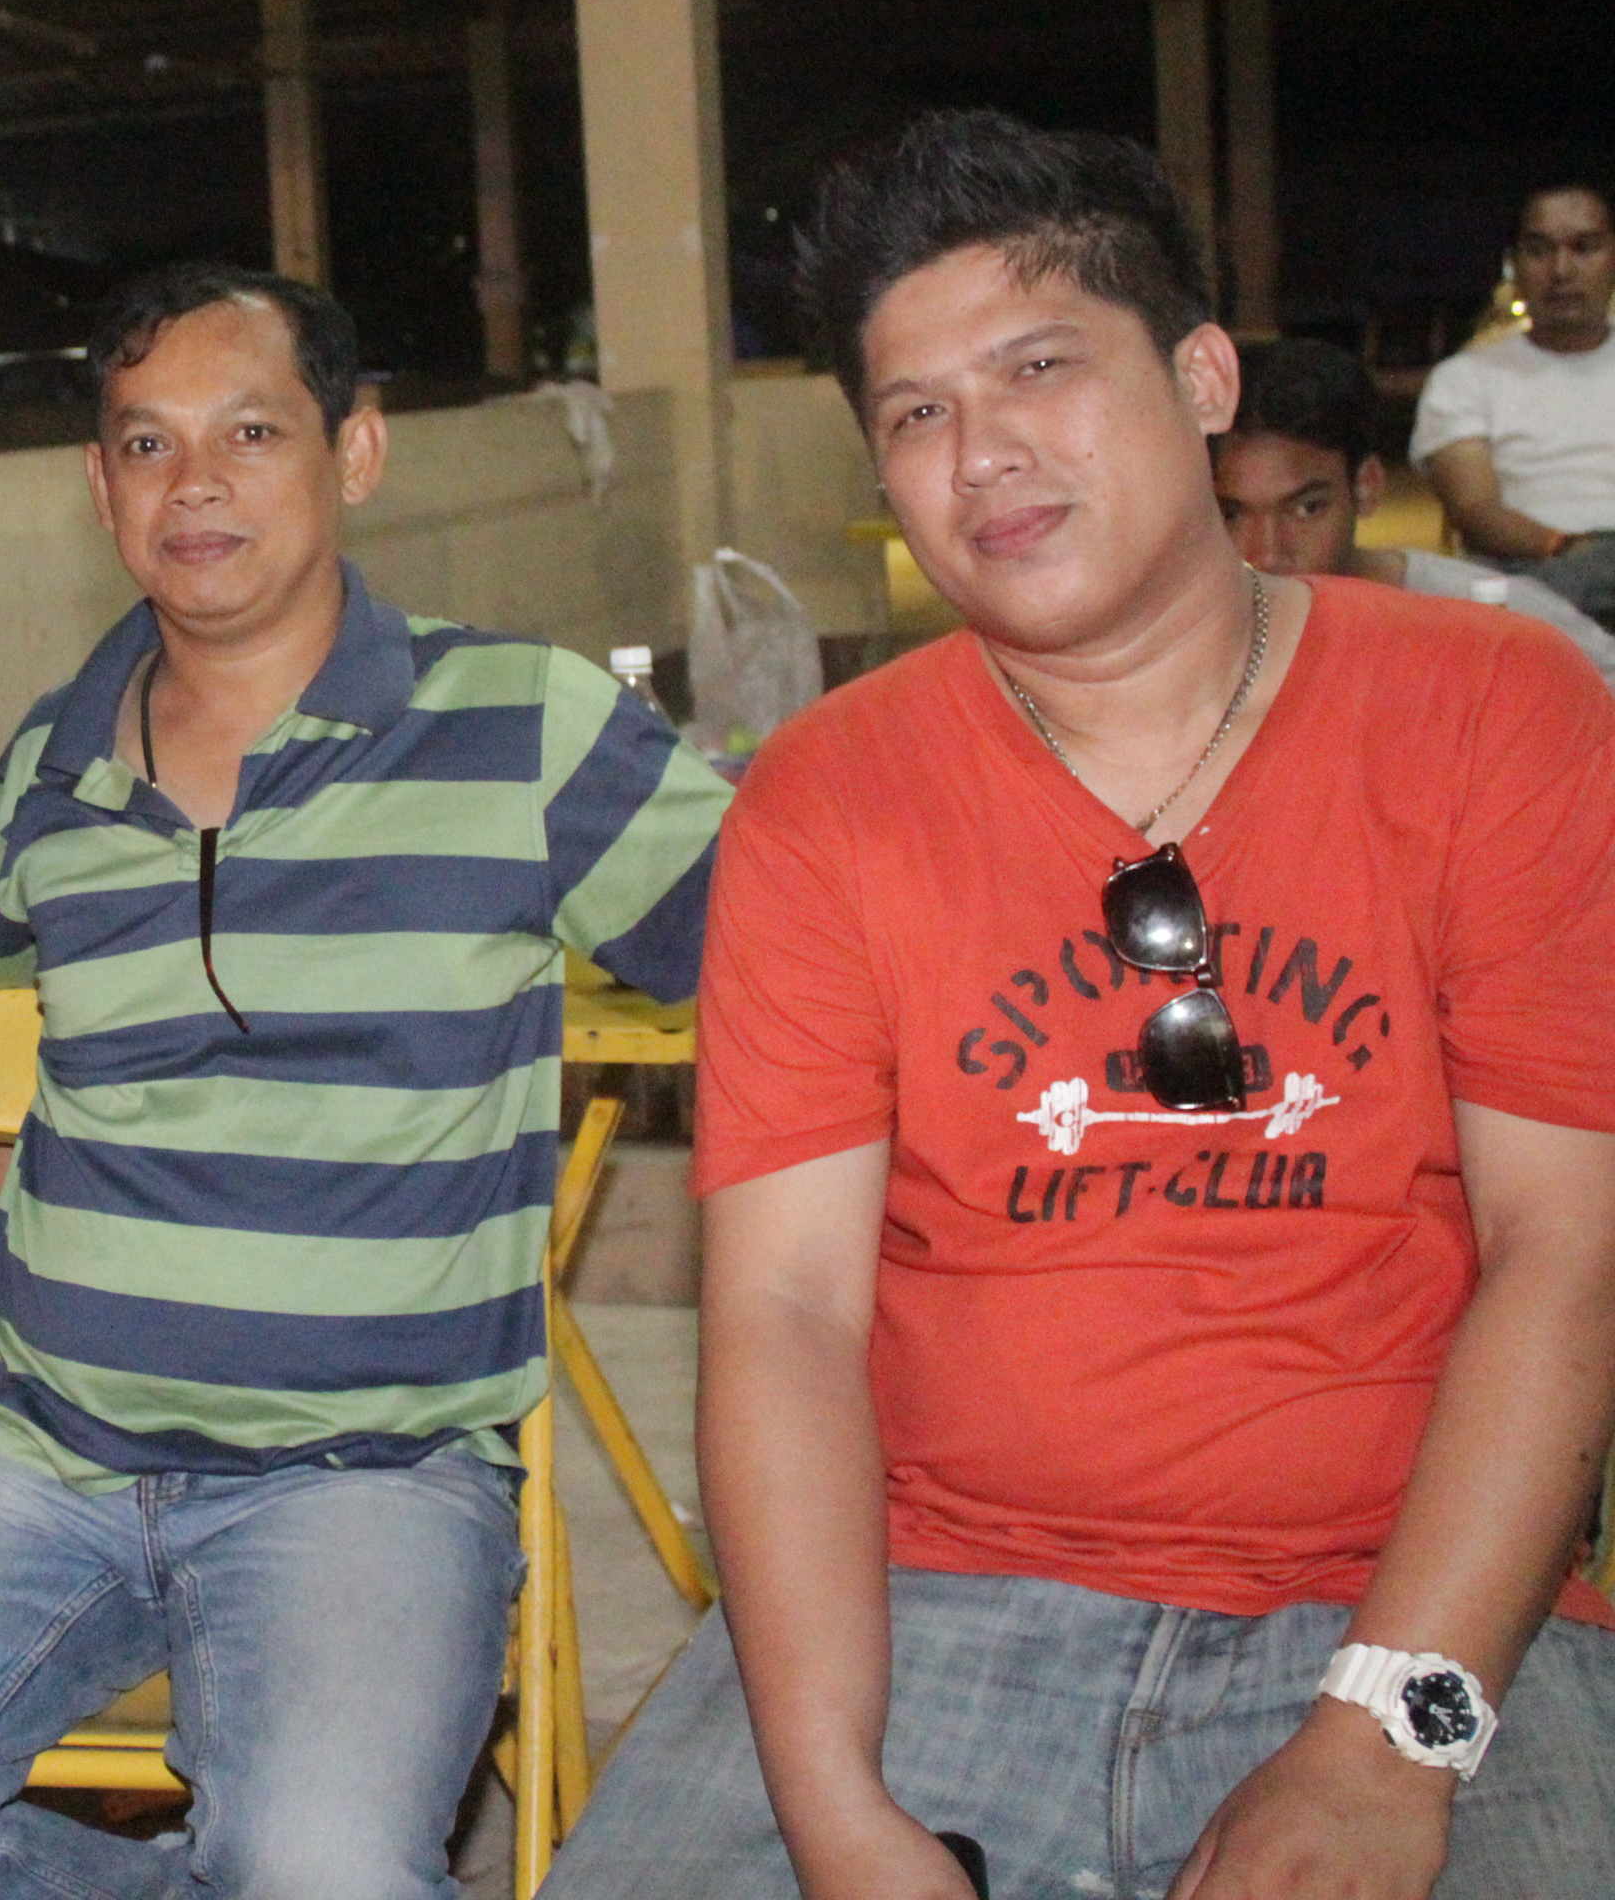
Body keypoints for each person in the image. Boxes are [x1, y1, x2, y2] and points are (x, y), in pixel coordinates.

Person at [545, 110, 1615, 1900]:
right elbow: (788, 1313)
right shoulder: (823, 800)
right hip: (930, 1602)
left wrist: (1382, 1741)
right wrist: (836, 1809)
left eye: (1039, 367)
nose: (982, 455)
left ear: (1201, 379)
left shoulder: (1499, 711)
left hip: (1417, 1606)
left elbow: (1565, 1254)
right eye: (916, 412)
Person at [0, 264, 731, 1900]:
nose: (194, 483)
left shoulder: (521, 729)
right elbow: (32, 1099)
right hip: (45, 1456)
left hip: (368, 1472)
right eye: (146, 442)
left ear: (355, 451)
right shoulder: (49, 765)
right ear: (100, 487)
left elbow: (801, 964)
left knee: (318, 1868)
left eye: (249, 432)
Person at [1214, 335, 1615, 688]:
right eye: (1231, 515)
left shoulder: (1493, 623)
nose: (1267, 554)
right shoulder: (1198, 643)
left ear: (1366, 487)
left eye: (1306, 509)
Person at [1410, 180, 1615, 619]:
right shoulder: (1464, 379)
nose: (1561, 270)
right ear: (1513, 263)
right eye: (1539, 250)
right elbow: (1475, 510)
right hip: (1532, 572)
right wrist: (1568, 547)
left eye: (1584, 248)